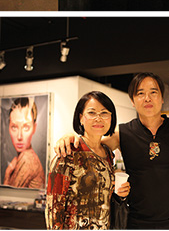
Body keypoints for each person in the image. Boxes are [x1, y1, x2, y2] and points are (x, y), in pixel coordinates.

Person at [56, 73, 169, 229]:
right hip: (137, 222)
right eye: (140, 93)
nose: (147, 98)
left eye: (153, 92)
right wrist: (71, 137)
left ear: (162, 98)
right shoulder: (123, 133)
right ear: (132, 101)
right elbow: (92, 145)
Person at [46, 91, 130, 229]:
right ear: (81, 118)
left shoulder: (107, 154)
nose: (98, 118)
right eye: (92, 113)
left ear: (111, 118)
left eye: (104, 113)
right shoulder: (68, 154)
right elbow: (53, 208)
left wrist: (119, 193)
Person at [3, 97, 45, 189]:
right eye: (14, 127)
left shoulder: (27, 159)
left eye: (26, 127)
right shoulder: (23, 157)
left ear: (34, 127)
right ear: (8, 127)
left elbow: (9, 194)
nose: (19, 136)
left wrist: (7, 175)